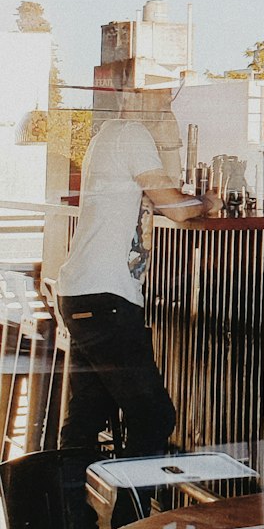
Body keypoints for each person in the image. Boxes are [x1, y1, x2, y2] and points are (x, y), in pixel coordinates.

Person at [57, 94, 221, 470]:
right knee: (154, 416)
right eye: (159, 106)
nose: (166, 115)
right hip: (105, 297)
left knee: (86, 416)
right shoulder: (131, 133)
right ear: (130, 104)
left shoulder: (106, 135)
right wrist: (208, 202)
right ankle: (128, 521)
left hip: (83, 293)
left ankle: (68, 520)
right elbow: (176, 209)